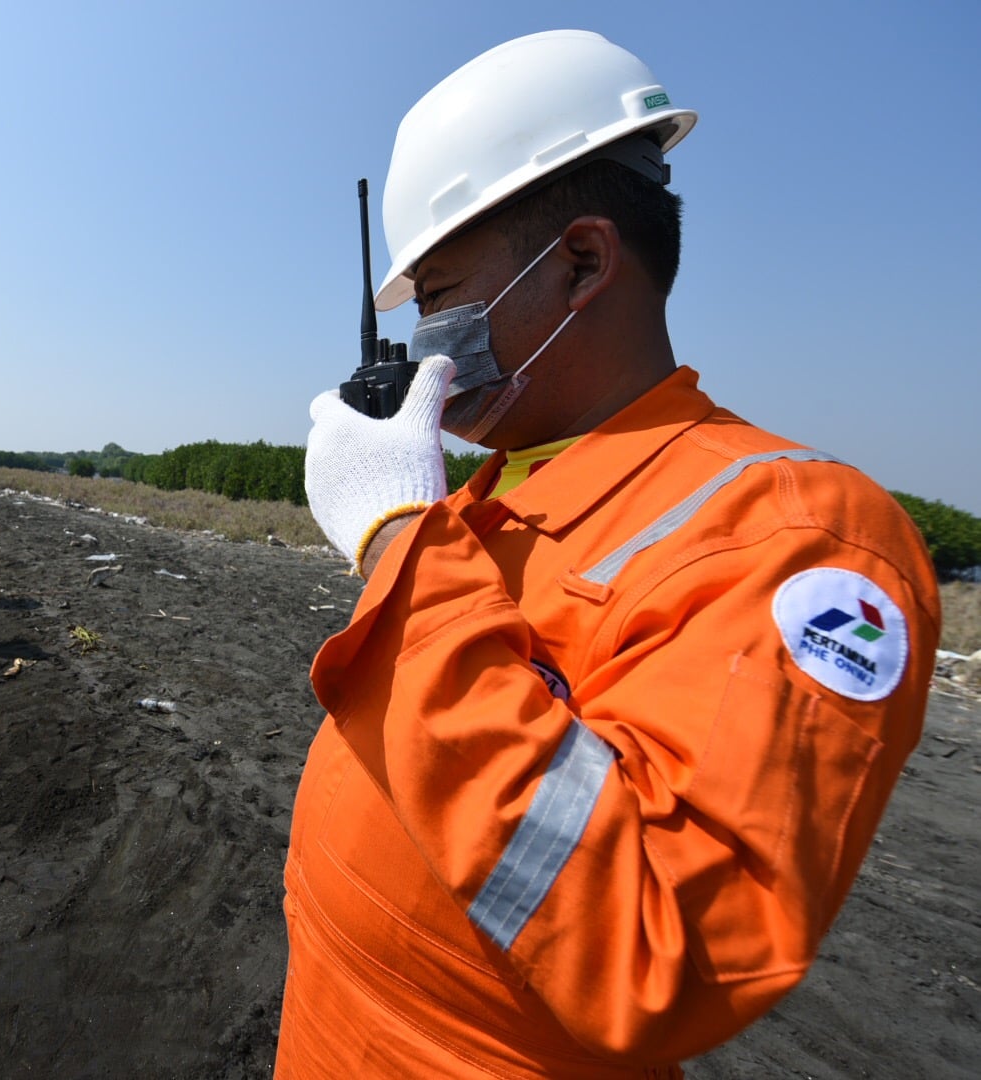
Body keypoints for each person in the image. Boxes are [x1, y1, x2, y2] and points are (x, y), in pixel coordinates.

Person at [280, 30, 940, 1079]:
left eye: (442, 297)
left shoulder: (801, 538)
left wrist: (400, 536)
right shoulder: (494, 494)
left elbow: (659, 949)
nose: (421, 344)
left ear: (583, 261)